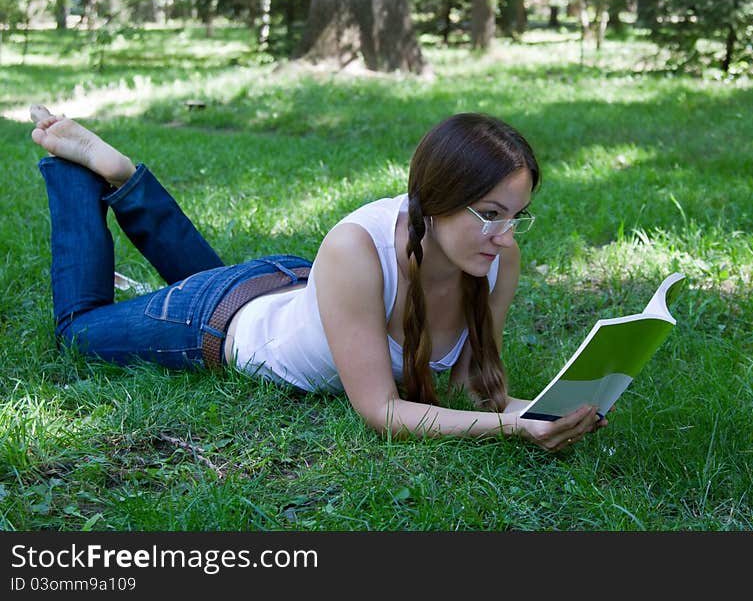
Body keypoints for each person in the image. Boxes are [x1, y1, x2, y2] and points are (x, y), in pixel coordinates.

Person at [30, 104, 608, 452]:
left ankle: (127, 178)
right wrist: (510, 428)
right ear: (434, 202)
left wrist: (546, 411)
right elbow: (382, 412)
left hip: (296, 288)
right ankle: (83, 175)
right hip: (220, 322)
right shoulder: (361, 248)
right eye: (488, 213)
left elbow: (464, 389)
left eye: (515, 217)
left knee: (214, 279)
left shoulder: (495, 259)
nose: (504, 237)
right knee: (78, 329)